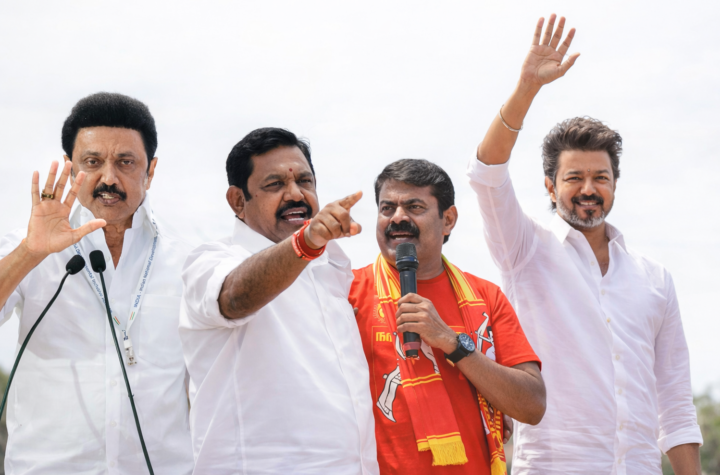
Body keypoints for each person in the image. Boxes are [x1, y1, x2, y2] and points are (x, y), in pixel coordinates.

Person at [467, 14, 703, 474]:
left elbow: (674, 398)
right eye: (574, 177)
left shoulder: (655, 279)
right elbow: (486, 174)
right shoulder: (524, 249)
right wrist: (527, 88)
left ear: (616, 184)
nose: (589, 189)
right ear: (550, 186)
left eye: (601, 177)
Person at [0, 93, 193, 474]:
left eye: (125, 162)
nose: (109, 178)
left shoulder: (186, 259)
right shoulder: (27, 246)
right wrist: (30, 252)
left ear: (150, 171)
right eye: (92, 162)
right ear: (70, 168)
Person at [179, 127, 379, 474]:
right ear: (238, 201)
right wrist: (306, 243)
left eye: (305, 181)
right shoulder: (211, 260)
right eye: (275, 184)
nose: (296, 194)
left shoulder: (330, 270)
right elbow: (235, 298)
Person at [349, 159, 545, 475]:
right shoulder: (347, 294)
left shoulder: (486, 297)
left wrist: (453, 343)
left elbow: (532, 405)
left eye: (414, 206)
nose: (398, 217)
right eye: (387, 208)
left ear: (448, 219)